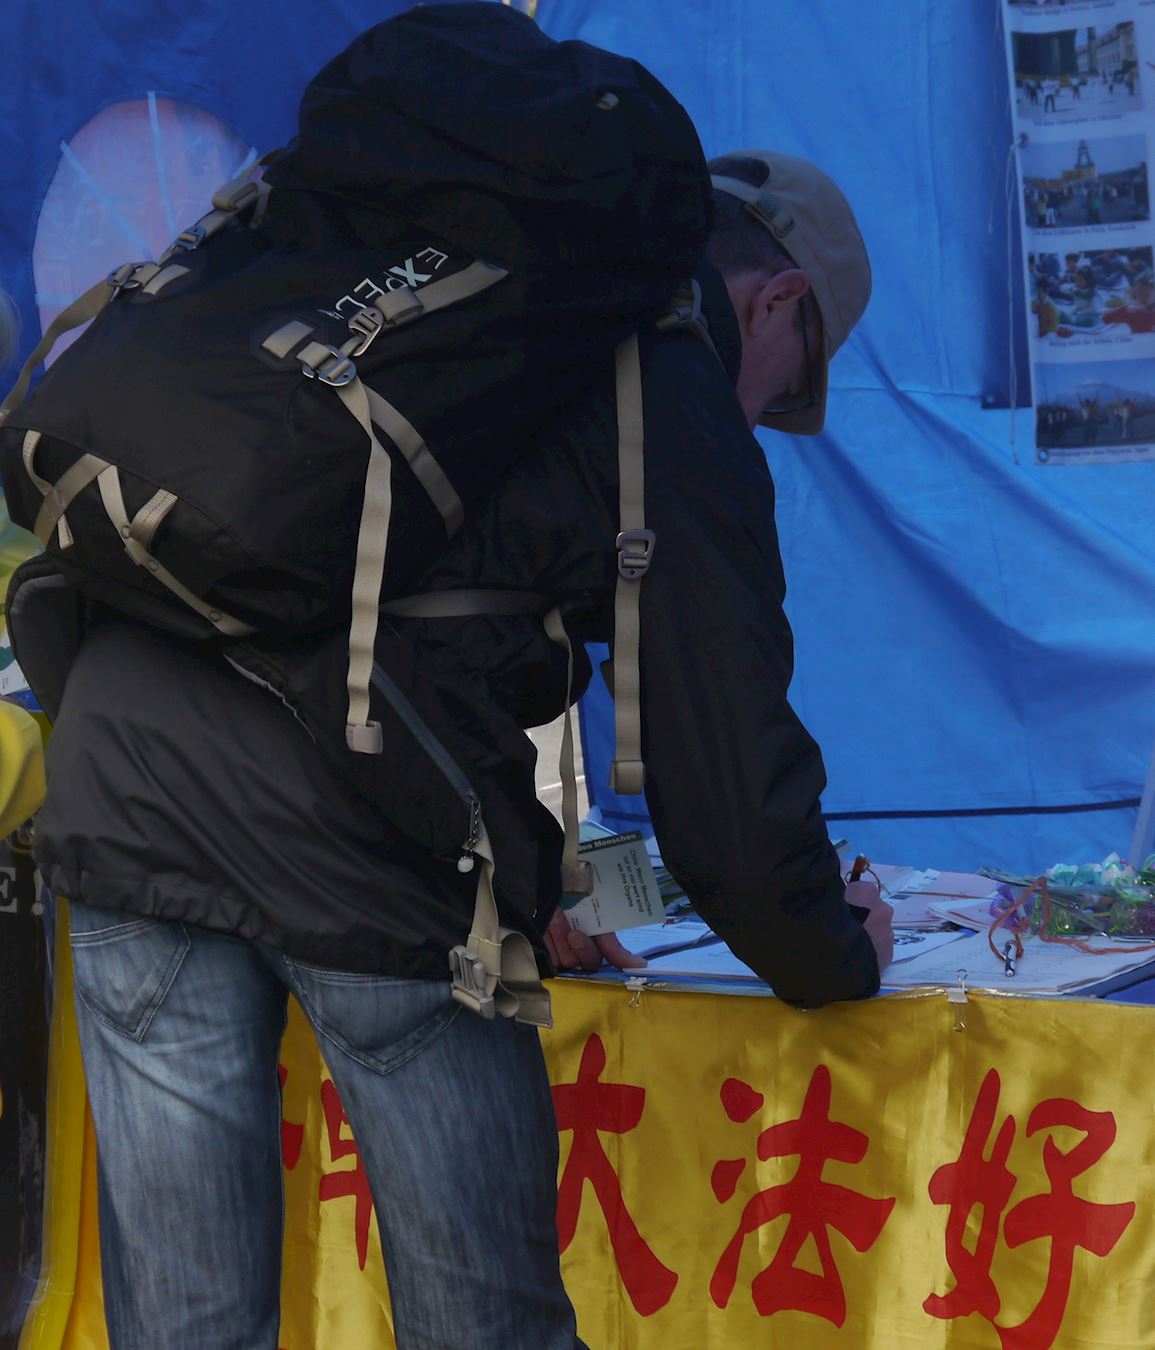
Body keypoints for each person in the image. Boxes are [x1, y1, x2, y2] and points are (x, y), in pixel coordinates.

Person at [25, 138, 891, 1350]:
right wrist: (831, 947)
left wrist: (547, 884)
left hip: (126, 775)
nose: (764, 418)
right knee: (487, 1327)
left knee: (186, 1328)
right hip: (357, 829)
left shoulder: (434, 291)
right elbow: (725, 769)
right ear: (778, 301)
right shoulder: (662, 365)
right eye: (786, 385)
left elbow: (434, 608)